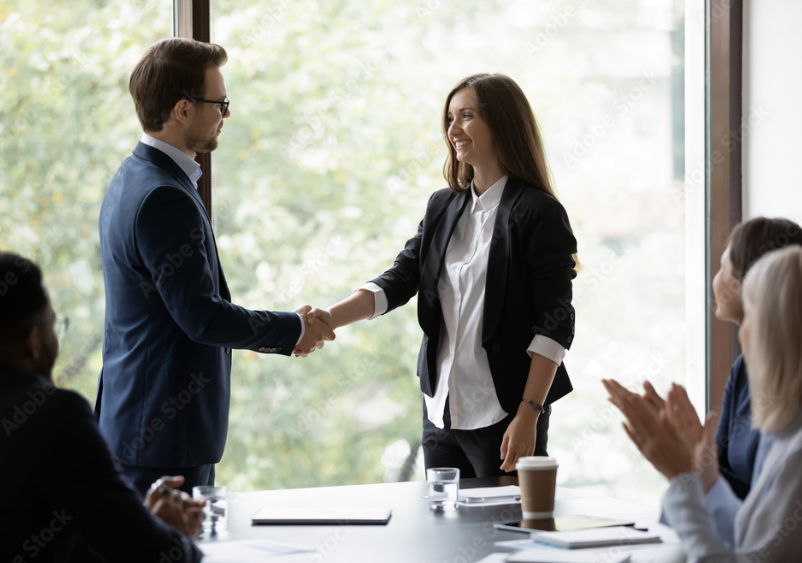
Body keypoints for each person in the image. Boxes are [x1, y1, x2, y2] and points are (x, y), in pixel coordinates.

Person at [305, 73, 577, 477]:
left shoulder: (538, 212)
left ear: (502, 122)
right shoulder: (443, 206)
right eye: (449, 118)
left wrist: (529, 413)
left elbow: (554, 326)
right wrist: (327, 318)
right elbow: (398, 280)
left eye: (466, 116)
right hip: (441, 410)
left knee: (507, 533)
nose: (453, 130)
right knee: (445, 530)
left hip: (505, 415)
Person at [96, 38, 335, 496]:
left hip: (138, 424)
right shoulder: (165, 196)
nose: (227, 115)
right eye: (220, 103)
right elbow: (201, 317)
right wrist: (293, 329)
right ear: (183, 110)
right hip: (164, 438)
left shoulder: (132, 177)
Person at [0, 252, 204, 563]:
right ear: (33, 341)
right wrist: (168, 530)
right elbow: (162, 555)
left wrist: (141, 519)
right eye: (53, 327)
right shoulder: (54, 416)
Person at [605, 246, 802, 562]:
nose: (743, 331)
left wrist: (683, 480)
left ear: (776, 330)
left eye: (749, 314)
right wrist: (704, 472)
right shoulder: (783, 434)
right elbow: (747, 539)